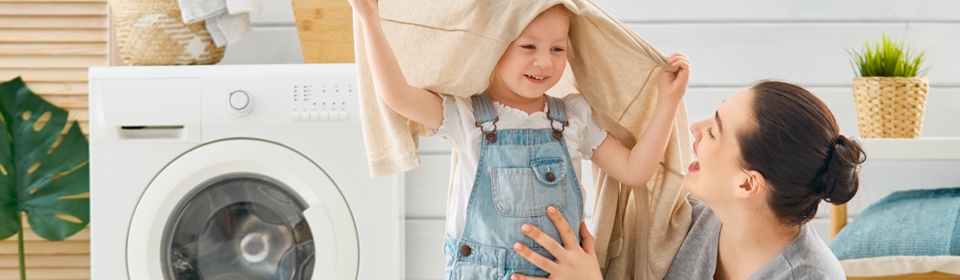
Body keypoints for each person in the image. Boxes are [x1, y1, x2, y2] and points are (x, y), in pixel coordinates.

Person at [347, 1, 690, 278]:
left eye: (557, 48)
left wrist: (667, 103)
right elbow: (396, 94)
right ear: (493, 47)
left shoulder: (573, 119)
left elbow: (635, 171)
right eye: (528, 46)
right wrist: (368, 19)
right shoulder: (466, 118)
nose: (544, 61)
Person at [511, 81, 865, 280]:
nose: (695, 129)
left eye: (714, 131)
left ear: (746, 184)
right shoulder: (682, 222)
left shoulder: (810, 277)